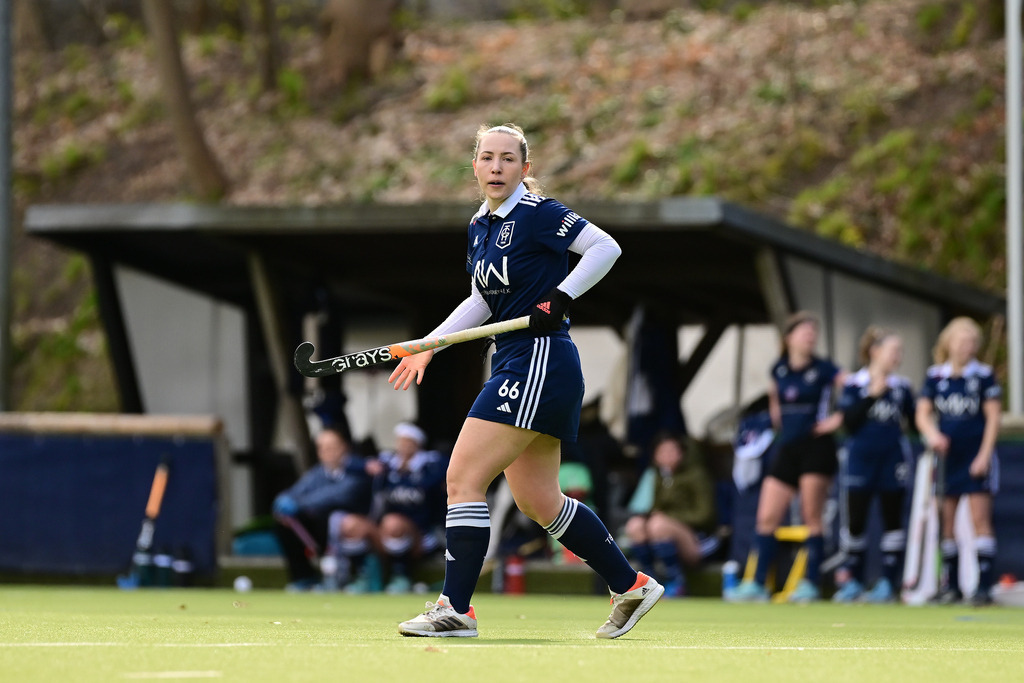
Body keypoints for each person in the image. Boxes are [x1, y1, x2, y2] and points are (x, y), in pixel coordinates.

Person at [389, 123, 663, 638]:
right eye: (487, 158)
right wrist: (429, 344)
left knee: (462, 479)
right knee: (540, 502)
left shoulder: (540, 214)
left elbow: (605, 248)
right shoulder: (480, 226)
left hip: (539, 359)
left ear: (524, 169)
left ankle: (456, 609)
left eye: (508, 159)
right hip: (519, 361)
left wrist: (561, 295)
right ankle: (632, 586)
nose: (496, 167)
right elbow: (480, 302)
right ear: (474, 166)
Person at [728, 311, 844, 603]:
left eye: (813, 333)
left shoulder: (825, 369)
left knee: (811, 516)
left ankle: (810, 583)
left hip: (816, 448)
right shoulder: (778, 370)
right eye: (804, 331)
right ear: (789, 338)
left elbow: (855, 388)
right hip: (788, 448)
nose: (810, 337)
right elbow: (775, 409)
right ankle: (756, 585)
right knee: (767, 517)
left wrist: (837, 420)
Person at [915, 317, 1002, 606]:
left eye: (972, 342)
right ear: (949, 344)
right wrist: (932, 434)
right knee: (946, 520)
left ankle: (983, 587)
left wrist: (984, 455)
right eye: (962, 341)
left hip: (974, 456)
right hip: (947, 458)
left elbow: (992, 418)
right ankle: (950, 586)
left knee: (980, 519)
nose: (968, 347)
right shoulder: (936, 377)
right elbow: (922, 413)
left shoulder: (983, 376)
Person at [832, 327, 915, 603]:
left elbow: (914, 423)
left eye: (900, 352)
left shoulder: (902, 387)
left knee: (892, 520)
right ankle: (853, 581)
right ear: (874, 351)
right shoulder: (855, 384)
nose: (898, 357)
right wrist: (871, 395)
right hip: (860, 461)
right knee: (856, 522)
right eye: (893, 350)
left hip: (892, 460)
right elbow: (849, 423)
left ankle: (887, 584)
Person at [272, 427, 373, 591]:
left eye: (332, 447)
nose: (327, 452)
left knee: (337, 520)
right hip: (322, 532)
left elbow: (336, 495)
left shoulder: (357, 470)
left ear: (344, 447)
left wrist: (299, 504)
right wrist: (282, 500)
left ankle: (360, 576)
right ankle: (304, 577)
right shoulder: (317, 472)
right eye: (322, 448)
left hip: (353, 530)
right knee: (285, 522)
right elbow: (295, 491)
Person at [624, 432, 717, 597]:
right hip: (662, 530)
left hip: (696, 539)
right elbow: (654, 509)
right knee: (635, 525)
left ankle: (677, 582)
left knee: (659, 524)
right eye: (662, 452)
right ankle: (649, 581)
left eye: (672, 451)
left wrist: (669, 518)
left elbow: (705, 515)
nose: (667, 456)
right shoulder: (658, 476)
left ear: (682, 453)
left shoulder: (696, 475)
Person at [358, 422, 446, 594]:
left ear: (417, 443)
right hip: (385, 530)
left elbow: (450, 467)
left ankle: (402, 574)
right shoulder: (388, 463)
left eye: (408, 441)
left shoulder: (431, 464)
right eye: (400, 441)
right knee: (351, 524)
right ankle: (366, 576)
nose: (403, 446)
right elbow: (356, 465)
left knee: (393, 523)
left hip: (423, 535)